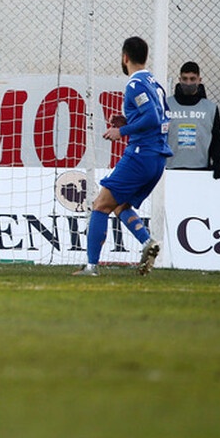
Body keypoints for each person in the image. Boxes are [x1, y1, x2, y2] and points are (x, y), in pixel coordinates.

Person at [75, 36, 172, 277]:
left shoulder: (135, 84)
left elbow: (151, 117)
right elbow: (160, 117)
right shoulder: (154, 84)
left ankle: (91, 267)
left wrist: (122, 131)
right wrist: (130, 121)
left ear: (125, 57)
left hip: (141, 155)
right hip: (157, 159)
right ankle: (148, 241)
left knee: (100, 205)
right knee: (120, 205)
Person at [165, 61, 220, 177]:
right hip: (171, 168)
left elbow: (216, 137)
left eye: (192, 79)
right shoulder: (167, 105)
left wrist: (217, 162)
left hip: (201, 170)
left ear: (199, 80)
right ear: (179, 79)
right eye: (185, 78)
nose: (188, 82)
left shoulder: (210, 108)